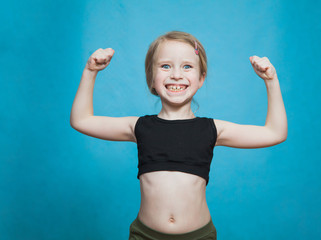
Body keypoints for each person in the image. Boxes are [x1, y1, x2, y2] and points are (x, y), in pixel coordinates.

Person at [70, 31, 287, 240]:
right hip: (146, 235)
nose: (176, 74)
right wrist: (90, 72)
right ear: (151, 78)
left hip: (198, 236)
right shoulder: (138, 126)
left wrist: (271, 80)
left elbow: (275, 133)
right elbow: (81, 120)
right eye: (165, 66)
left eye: (187, 66)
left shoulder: (213, 129)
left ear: (201, 78)